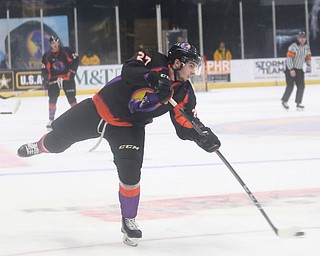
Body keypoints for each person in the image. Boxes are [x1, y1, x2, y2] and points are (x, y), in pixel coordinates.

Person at [17, 42, 221, 247]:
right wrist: (154, 78)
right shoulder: (154, 59)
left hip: (129, 128)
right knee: (57, 142)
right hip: (98, 110)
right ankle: (39, 146)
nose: (194, 72)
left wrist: (201, 134)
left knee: (131, 174)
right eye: (192, 66)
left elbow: (184, 122)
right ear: (177, 63)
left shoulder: (184, 93)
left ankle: (128, 220)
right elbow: (130, 70)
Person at [41, 36, 79, 130]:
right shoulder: (46, 55)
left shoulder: (66, 51)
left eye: (56, 42)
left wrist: (72, 73)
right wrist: (45, 80)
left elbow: (76, 59)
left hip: (67, 79)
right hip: (54, 80)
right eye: (53, 43)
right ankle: (51, 120)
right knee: (52, 99)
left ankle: (78, 118)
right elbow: (44, 69)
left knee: (71, 99)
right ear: (50, 44)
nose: (55, 44)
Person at [281, 31, 312, 111]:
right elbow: (289, 58)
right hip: (290, 69)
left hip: (299, 69)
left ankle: (298, 103)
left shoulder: (307, 47)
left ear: (305, 38)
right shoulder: (293, 47)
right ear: (298, 38)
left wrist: (308, 64)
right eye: (301, 37)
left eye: (304, 37)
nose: (302, 39)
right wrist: (291, 69)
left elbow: (308, 56)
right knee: (290, 86)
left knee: (301, 86)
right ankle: (284, 101)